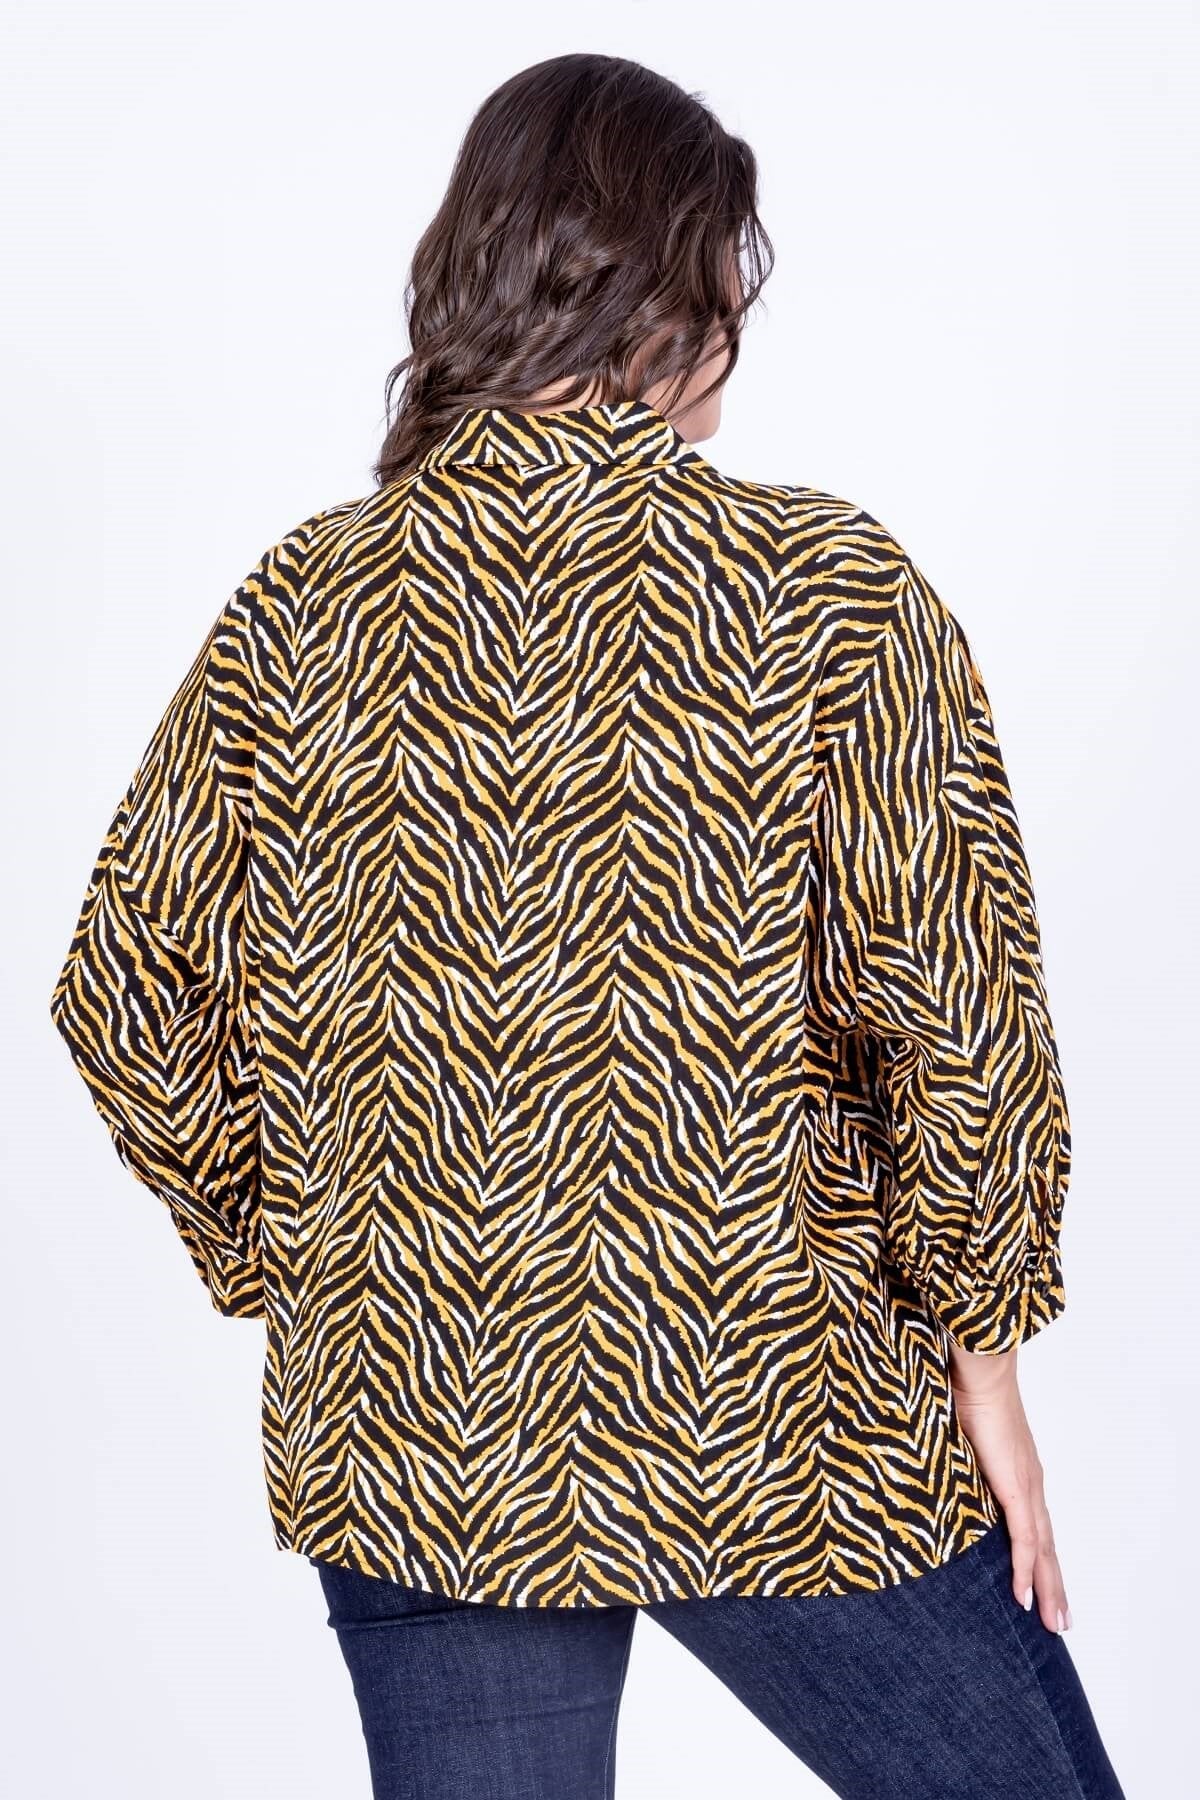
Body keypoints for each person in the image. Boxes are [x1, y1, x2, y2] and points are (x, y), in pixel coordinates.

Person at [48, 49, 1126, 1800]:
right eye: (726, 281)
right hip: (770, 1421)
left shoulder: (299, 609)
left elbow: (125, 990)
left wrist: (303, 1255)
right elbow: (958, 1018)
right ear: (668, 289)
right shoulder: (824, 594)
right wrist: (984, 1358)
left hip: (415, 1429)